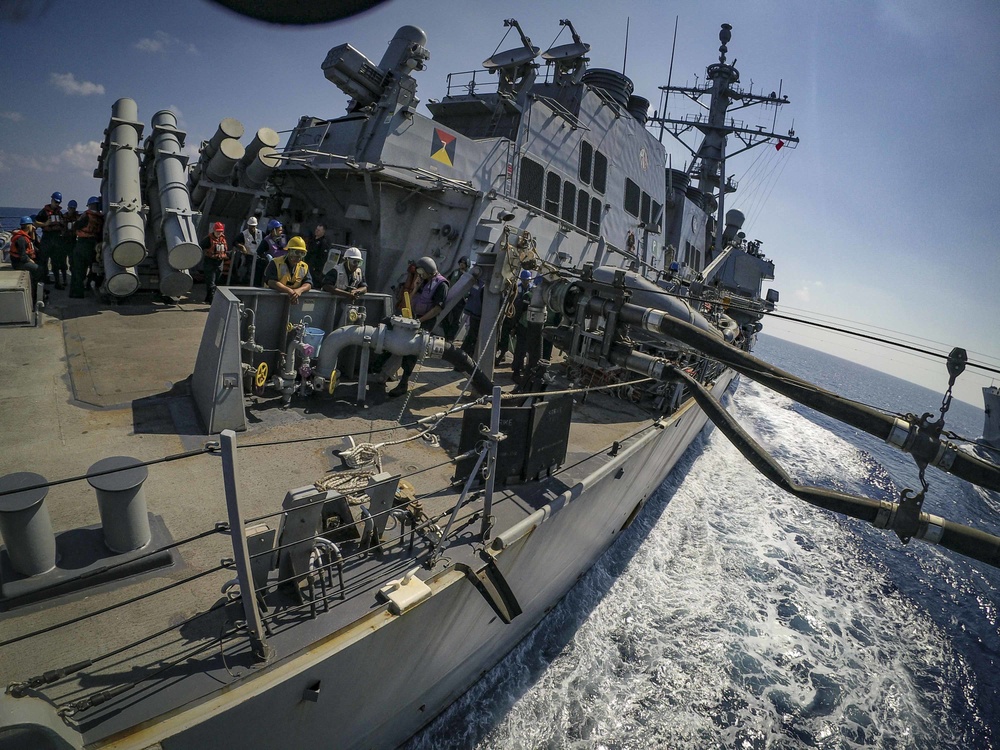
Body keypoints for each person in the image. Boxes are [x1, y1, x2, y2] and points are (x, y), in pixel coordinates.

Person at [389, 256, 448, 397]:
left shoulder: (441, 285)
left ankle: (403, 383)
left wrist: (420, 321)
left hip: (425, 321)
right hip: (414, 317)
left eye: (421, 272)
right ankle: (389, 372)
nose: (419, 275)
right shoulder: (423, 281)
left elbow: (437, 309)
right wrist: (415, 287)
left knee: (411, 350)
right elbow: (409, 299)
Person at [321, 246, 367, 327]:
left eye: (359, 262)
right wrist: (347, 294)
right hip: (332, 306)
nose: (356, 265)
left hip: (347, 308)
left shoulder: (359, 272)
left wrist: (356, 291)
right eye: (354, 262)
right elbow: (326, 286)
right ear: (346, 260)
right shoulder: (336, 271)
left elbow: (364, 287)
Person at [70, 197, 104, 298]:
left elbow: (76, 226)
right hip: (94, 245)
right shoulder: (101, 218)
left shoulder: (86, 215)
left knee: (78, 269)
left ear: (90, 205)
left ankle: (77, 293)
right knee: (93, 267)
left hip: (82, 244)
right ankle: (89, 284)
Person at [264, 235, 312, 304]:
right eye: (297, 252)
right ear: (289, 251)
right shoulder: (275, 262)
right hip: (271, 300)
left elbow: (308, 283)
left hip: (291, 301)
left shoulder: (304, 267)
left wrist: (299, 290)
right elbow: (271, 281)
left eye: (302, 253)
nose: (299, 256)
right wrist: (289, 291)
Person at [9, 216, 45, 302]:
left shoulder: (24, 236)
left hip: (21, 260)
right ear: (28, 226)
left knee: (38, 264)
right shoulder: (21, 239)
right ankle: (35, 292)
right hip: (18, 263)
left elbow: (32, 241)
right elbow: (23, 256)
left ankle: (38, 288)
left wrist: (32, 231)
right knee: (38, 269)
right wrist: (30, 261)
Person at [34, 191, 65, 288]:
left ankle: (57, 282)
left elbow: (63, 225)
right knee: (43, 260)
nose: (57, 204)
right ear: (51, 200)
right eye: (55, 202)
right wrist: (45, 224)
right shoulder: (43, 212)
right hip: (47, 238)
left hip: (56, 239)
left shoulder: (59, 213)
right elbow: (35, 223)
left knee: (56, 262)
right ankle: (43, 280)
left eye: (58, 203)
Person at [441, 256, 469, 342]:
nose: (461, 264)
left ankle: (450, 337)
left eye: (464, 263)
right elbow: (448, 281)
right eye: (461, 262)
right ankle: (447, 334)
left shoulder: (468, 275)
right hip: (451, 297)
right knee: (444, 317)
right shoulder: (455, 272)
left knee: (456, 320)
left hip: (461, 300)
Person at [200, 222, 228, 304]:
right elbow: (200, 247)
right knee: (211, 282)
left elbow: (225, 250)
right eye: (217, 231)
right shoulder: (208, 239)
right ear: (214, 230)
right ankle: (212, 301)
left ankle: (207, 299)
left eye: (220, 231)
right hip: (210, 263)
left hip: (219, 263)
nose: (219, 233)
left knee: (216, 282)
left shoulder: (223, 239)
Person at [230, 216, 261, 284]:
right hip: (248, 256)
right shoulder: (243, 234)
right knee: (248, 272)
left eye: (253, 226)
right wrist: (241, 246)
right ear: (248, 225)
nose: (252, 228)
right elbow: (234, 242)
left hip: (258, 256)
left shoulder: (260, 233)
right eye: (250, 226)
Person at [254, 219, 285, 286]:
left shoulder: (284, 238)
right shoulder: (266, 241)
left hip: (285, 264)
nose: (281, 232)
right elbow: (259, 253)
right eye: (279, 230)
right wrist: (266, 257)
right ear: (273, 230)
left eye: (281, 230)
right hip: (273, 266)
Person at [60, 199, 80, 290]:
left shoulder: (78, 217)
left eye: (73, 208)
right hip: (64, 241)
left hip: (73, 241)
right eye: (70, 208)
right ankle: (64, 279)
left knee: (73, 262)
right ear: (67, 208)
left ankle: (74, 279)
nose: (72, 210)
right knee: (63, 262)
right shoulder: (63, 217)